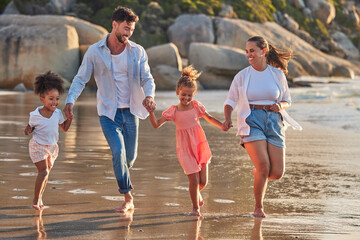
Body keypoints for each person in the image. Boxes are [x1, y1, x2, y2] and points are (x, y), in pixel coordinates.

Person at [63, 6, 156, 213]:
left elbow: (147, 78)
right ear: (114, 25)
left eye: (131, 30)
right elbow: (81, 78)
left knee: (128, 158)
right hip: (108, 113)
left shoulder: (137, 51)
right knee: (117, 151)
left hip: (131, 112)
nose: (128, 33)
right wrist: (70, 100)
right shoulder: (95, 51)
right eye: (125, 28)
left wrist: (149, 96)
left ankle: (121, 171)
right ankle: (127, 197)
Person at [223, 36, 302, 218]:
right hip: (252, 120)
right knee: (265, 166)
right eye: (247, 51)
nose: (249, 54)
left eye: (252, 50)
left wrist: (280, 106)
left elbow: (287, 100)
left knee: (277, 173)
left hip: (274, 121)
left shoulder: (277, 74)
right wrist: (227, 118)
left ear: (263, 51)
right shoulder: (242, 76)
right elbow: (230, 101)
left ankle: (257, 172)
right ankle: (258, 207)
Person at [147, 65, 225, 216]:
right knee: (194, 180)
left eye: (190, 95)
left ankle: (196, 193)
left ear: (194, 95)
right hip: (185, 150)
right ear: (177, 92)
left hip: (199, 146)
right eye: (184, 95)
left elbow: (209, 118)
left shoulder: (196, 106)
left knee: (203, 182)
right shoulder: (173, 111)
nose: (186, 98)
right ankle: (195, 209)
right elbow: (156, 124)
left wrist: (222, 125)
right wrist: (151, 112)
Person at [24, 71, 72, 210]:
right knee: (43, 171)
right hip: (38, 146)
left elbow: (64, 128)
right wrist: (27, 130)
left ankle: (39, 198)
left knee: (46, 174)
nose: (55, 102)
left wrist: (69, 119)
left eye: (57, 99)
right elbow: (30, 127)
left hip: (52, 147)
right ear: (42, 99)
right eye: (51, 99)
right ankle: (35, 200)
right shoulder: (35, 114)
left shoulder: (57, 113)